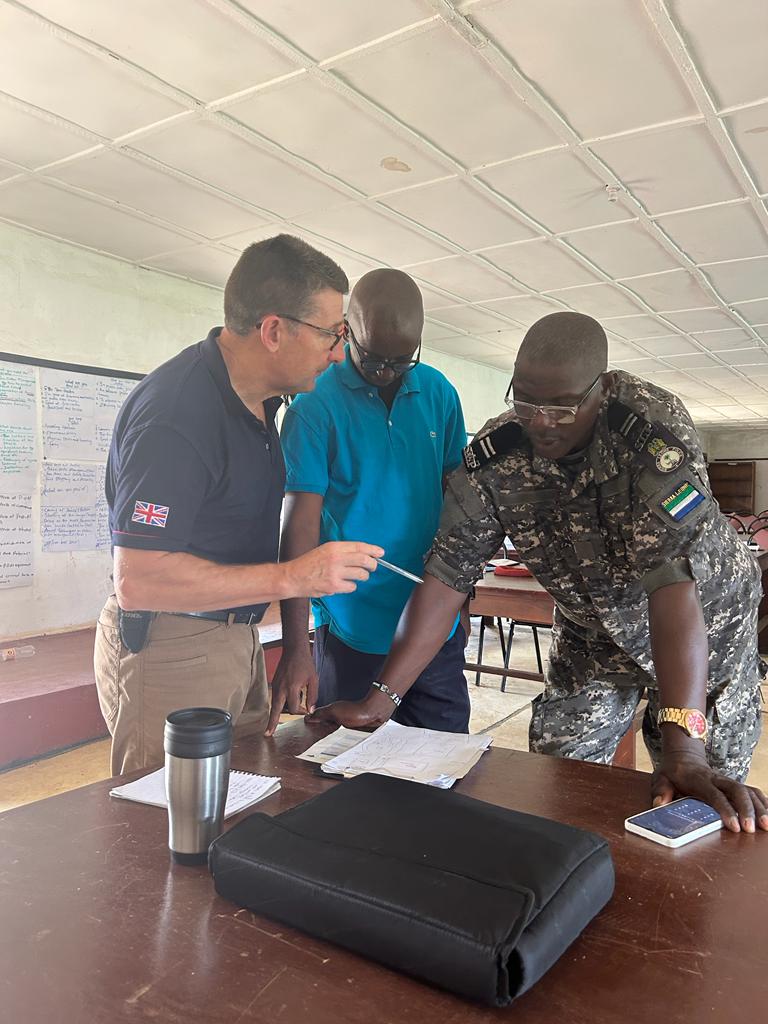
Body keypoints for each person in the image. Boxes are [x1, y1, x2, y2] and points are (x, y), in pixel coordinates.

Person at [309, 311, 768, 833]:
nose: (542, 420)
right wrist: (379, 700)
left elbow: (672, 587)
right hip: (592, 625)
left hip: (703, 624)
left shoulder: (650, 432)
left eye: (563, 406)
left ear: (603, 388)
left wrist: (684, 748)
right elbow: (445, 578)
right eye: (525, 400)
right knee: (560, 765)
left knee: (702, 791)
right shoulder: (495, 457)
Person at [94, 235, 383, 775]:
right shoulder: (179, 415)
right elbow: (140, 580)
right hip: (171, 646)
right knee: (169, 824)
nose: (339, 353)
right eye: (331, 334)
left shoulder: (259, 403)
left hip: (234, 634)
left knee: (238, 808)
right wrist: (294, 577)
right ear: (274, 330)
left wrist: (285, 641)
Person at [267, 268, 470, 735]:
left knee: (441, 765)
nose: (386, 372)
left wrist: (461, 593)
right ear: (346, 333)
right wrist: (297, 646)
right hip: (352, 628)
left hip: (431, 622)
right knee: (349, 770)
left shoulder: (438, 392)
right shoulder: (313, 407)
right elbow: (298, 528)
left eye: (402, 361)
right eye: (374, 358)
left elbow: (460, 500)